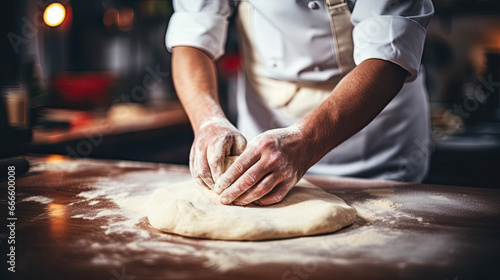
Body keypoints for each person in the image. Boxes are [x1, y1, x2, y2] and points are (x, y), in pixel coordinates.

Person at [167, 0, 434, 206]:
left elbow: (389, 51)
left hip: (374, 137)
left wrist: (305, 142)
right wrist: (207, 120)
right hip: (263, 131)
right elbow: (192, 33)